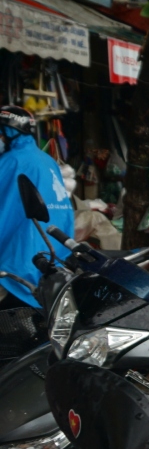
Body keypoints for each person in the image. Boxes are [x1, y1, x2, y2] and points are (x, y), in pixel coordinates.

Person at [0, 106, 74, 307]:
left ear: (11, 132)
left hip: (18, 259)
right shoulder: (47, 160)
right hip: (52, 256)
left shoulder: (11, 162)